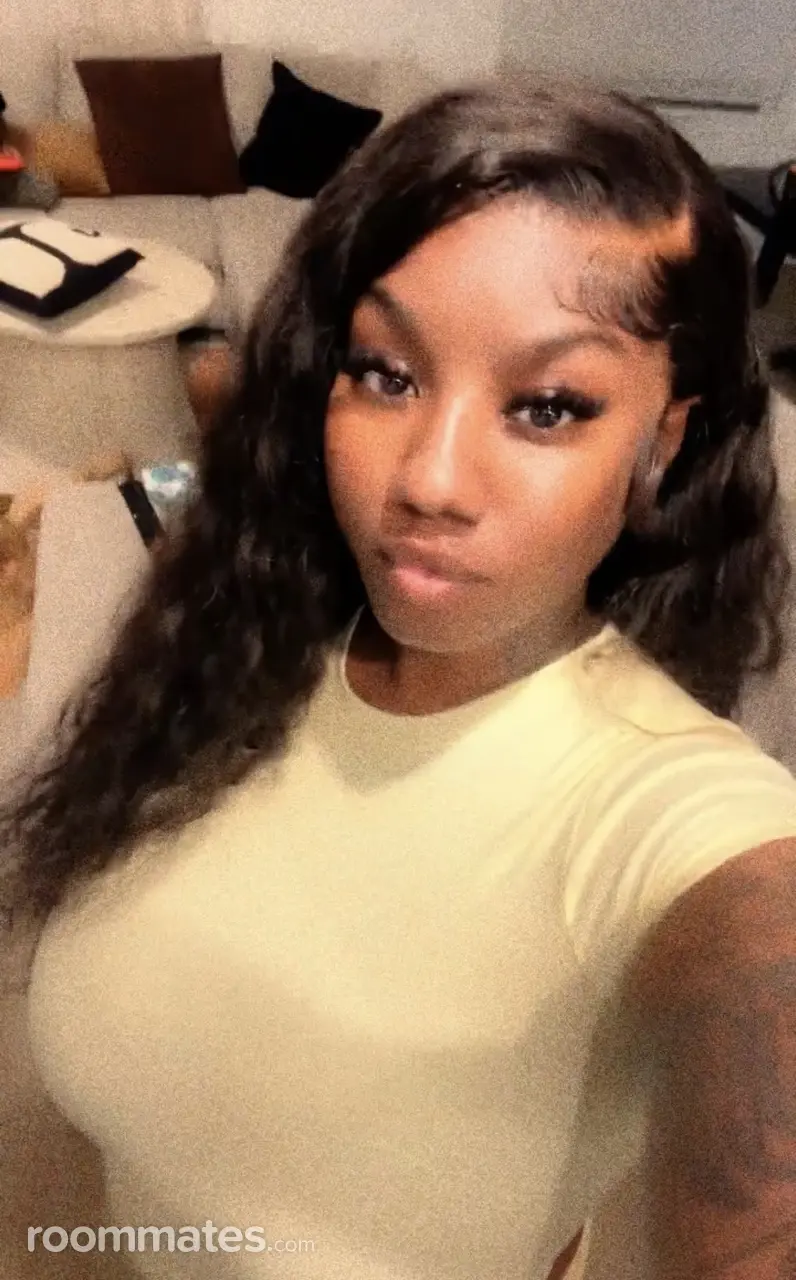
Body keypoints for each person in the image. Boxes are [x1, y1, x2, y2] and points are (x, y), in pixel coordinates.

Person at [3, 74, 796, 1280]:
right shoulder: (243, 641)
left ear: (661, 441)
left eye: (546, 405)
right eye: (385, 372)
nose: (427, 478)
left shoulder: (675, 809)